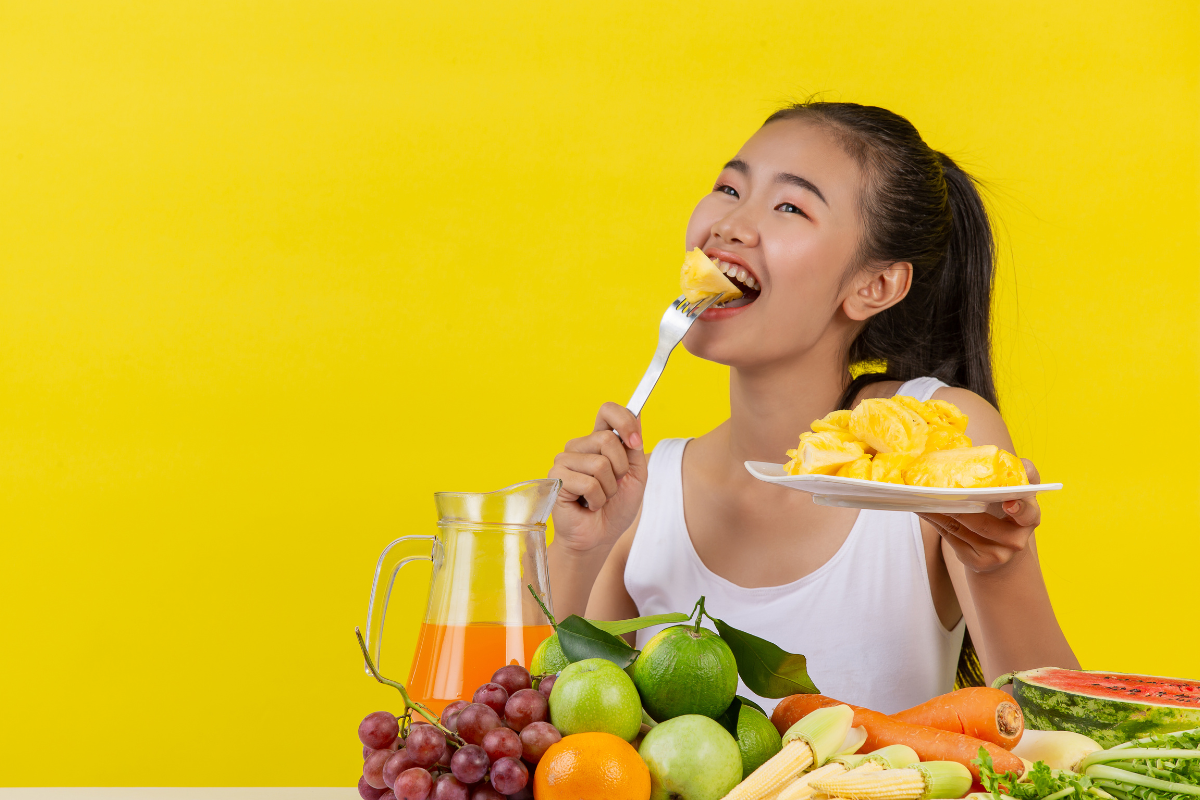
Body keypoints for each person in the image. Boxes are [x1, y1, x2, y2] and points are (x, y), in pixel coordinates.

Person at [545, 101, 1079, 715]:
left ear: (873, 286)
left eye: (790, 206)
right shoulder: (639, 495)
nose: (732, 225)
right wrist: (575, 551)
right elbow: (556, 746)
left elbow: (1060, 738)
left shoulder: (932, 445)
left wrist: (999, 571)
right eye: (728, 188)